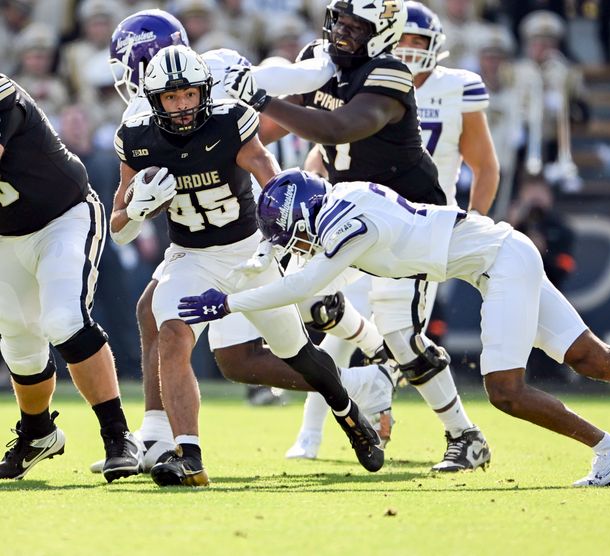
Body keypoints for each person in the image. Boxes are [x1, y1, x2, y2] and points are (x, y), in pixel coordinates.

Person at [179, 168, 610, 486]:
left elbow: (303, 283)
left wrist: (227, 305)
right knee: (590, 356)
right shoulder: (341, 202)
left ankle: (609, 448)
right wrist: (244, 278)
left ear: (304, 213)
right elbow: (299, 266)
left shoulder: (348, 222)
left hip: (498, 263)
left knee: (506, 391)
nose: (290, 242)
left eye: (289, 231)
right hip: (499, 253)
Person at [94, 9, 395, 474]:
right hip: (189, 256)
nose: (181, 106)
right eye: (170, 98)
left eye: (189, 95)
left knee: (298, 354)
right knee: (170, 330)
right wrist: (135, 208)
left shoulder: (229, 118)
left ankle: (348, 409)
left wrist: (278, 241)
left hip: (248, 252)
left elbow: (270, 180)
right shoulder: (135, 136)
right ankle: (186, 456)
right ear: (155, 99)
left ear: (204, 90)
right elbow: (120, 227)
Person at [224, 0, 491, 472]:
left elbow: (340, 126)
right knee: (314, 305)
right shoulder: (320, 61)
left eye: (357, 26)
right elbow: (272, 100)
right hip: (346, 216)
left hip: (408, 223)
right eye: (340, 22)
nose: (344, 32)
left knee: (404, 337)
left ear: (382, 34)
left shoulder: (389, 73)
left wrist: (260, 95)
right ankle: (371, 356)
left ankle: (464, 435)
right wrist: (231, 92)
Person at [0, 73, 141, 483]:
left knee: (63, 320)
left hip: (63, 217)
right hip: (7, 233)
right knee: (17, 338)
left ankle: (118, 437)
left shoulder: (3, 92)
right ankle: (38, 432)